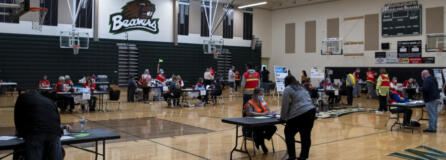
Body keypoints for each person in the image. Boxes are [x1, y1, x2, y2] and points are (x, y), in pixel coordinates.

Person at [14, 90, 72, 160]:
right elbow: (56, 120)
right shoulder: (49, 101)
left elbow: (18, 118)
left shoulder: (22, 98)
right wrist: (61, 129)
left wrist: (20, 133)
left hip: (35, 134)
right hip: (54, 133)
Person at [281, 75, 316, 160]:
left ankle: (292, 156)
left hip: (301, 113)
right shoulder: (302, 87)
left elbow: (285, 106)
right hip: (311, 111)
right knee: (305, 135)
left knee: (288, 133)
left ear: (286, 82)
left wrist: (283, 117)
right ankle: (303, 157)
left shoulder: (288, 89)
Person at [243, 88, 277, 154]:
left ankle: (258, 140)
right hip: (252, 124)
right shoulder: (249, 103)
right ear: (255, 95)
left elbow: (268, 110)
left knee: (273, 128)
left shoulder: (263, 101)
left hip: (263, 121)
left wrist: (270, 113)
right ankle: (262, 144)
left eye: (262, 94)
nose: (262, 96)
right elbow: (249, 113)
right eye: (260, 94)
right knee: (259, 130)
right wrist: (262, 114)